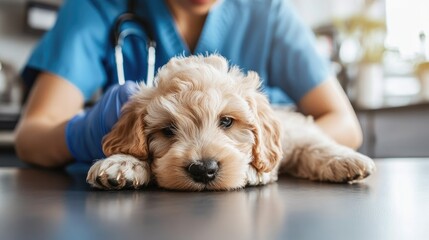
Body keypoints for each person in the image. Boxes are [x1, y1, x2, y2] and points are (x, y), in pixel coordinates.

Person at [14, 0, 363, 168]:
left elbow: (345, 124)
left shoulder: (267, 12)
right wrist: (83, 133)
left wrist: (259, 153)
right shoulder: (97, 7)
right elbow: (30, 137)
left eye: (227, 122)